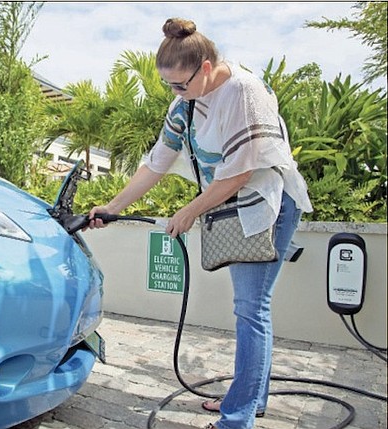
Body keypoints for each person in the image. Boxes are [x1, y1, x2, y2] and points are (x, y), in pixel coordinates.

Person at [86, 17, 313, 429]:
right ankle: (251, 399)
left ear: (206, 67)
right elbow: (155, 163)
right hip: (230, 206)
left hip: (267, 205)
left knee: (250, 308)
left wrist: (189, 211)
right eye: (169, 86)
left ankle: (237, 418)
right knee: (252, 308)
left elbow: (242, 172)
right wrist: (112, 206)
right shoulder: (185, 104)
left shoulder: (244, 91)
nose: (175, 93)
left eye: (180, 84)